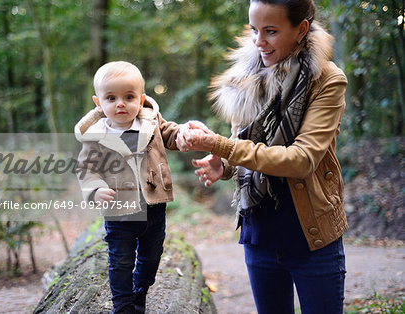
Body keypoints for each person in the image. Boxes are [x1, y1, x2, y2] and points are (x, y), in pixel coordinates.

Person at [176, 0, 348, 313]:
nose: (258, 41)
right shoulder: (247, 77)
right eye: (254, 29)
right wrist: (222, 163)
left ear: (301, 30)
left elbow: (301, 159)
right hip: (259, 234)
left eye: (270, 31)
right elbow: (242, 145)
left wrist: (223, 148)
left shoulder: (327, 81)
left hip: (312, 238)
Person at [75, 61, 182, 314]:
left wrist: (185, 134)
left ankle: (140, 291)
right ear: (98, 103)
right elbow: (86, 168)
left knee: (151, 257)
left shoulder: (150, 121)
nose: (120, 103)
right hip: (118, 211)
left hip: (154, 207)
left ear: (141, 99)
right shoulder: (97, 135)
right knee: (120, 261)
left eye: (129, 97)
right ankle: (122, 306)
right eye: (111, 98)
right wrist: (95, 189)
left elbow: (170, 133)